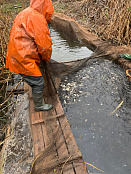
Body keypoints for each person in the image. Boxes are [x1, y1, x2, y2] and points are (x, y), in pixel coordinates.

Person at [6, 0, 54, 111]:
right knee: (38, 82)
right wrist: (46, 58)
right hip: (23, 56)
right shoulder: (37, 17)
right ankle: (38, 106)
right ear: (46, 6)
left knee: (33, 78)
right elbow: (44, 45)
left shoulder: (25, 12)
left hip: (16, 54)